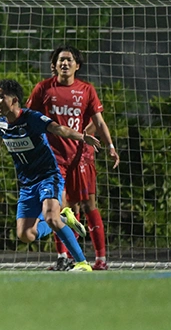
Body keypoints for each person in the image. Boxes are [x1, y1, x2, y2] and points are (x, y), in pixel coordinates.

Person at [27, 45, 119, 271]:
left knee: (87, 205)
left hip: (81, 157)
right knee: (58, 205)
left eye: (69, 60)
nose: (65, 63)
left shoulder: (86, 90)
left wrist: (110, 146)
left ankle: (100, 259)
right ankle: (63, 257)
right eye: (61, 60)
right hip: (52, 158)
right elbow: (28, 118)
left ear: (77, 65)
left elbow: (98, 122)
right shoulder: (43, 89)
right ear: (54, 65)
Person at [0, 79, 99, 272]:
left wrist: (82, 137)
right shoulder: (0, 123)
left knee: (51, 218)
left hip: (48, 177)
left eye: (1, 97)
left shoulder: (32, 118)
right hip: (27, 185)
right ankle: (64, 218)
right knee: (26, 235)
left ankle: (82, 263)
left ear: (14, 99)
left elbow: (59, 129)